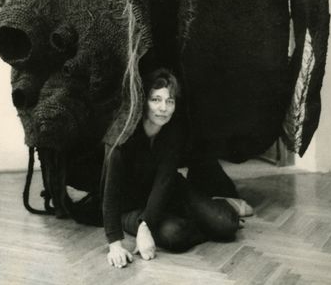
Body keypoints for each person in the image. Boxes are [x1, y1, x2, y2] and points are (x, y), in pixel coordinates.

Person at [102, 68, 253, 269]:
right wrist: (115, 246)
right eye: (156, 100)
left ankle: (215, 208)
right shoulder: (122, 135)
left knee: (227, 224)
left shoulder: (172, 131)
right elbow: (110, 193)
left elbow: (165, 179)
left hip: (169, 192)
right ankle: (199, 220)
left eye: (169, 101)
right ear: (143, 102)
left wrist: (146, 227)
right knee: (174, 235)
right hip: (132, 207)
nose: (163, 108)